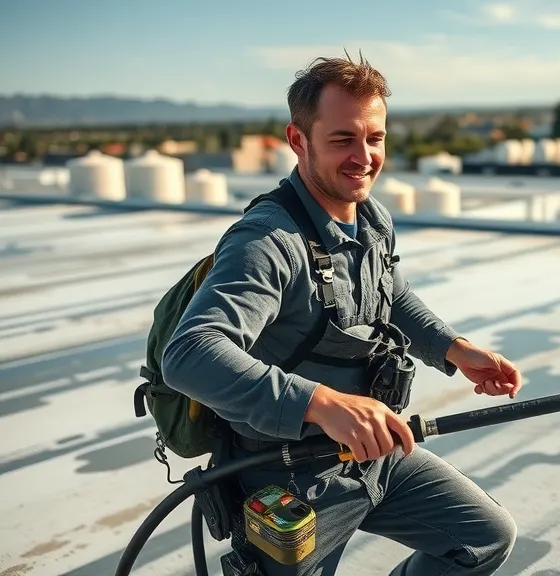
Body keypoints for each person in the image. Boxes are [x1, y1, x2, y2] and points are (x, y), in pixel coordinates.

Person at [160, 53, 523, 576]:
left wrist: (455, 350)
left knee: (484, 538)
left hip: (374, 456)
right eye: (342, 139)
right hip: (290, 476)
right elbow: (190, 354)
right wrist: (323, 403)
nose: (364, 156)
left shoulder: (371, 217)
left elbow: (389, 296)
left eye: (374, 138)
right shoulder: (266, 242)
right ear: (297, 140)